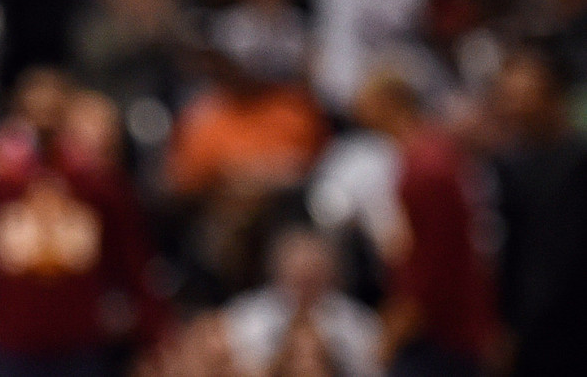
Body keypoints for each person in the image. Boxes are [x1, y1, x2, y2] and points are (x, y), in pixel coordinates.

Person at [0, 69, 168, 377]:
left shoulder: (98, 186)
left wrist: (155, 338)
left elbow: (134, 263)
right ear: (17, 116)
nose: (44, 125)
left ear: (68, 115)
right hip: (11, 344)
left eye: (53, 113)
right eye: (34, 113)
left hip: (81, 344)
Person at [351, 71, 495, 377]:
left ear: (389, 102)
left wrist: (398, 328)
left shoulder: (426, 169)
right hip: (446, 325)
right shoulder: (430, 155)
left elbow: (435, 264)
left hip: (442, 334)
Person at [489, 44, 587, 377]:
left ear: (552, 95)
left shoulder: (577, 163)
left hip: (569, 330)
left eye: (520, 95)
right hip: (527, 331)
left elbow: (558, 261)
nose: (510, 106)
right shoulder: (512, 165)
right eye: (506, 96)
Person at [220, 226, 383, 377]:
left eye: (313, 275)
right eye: (298, 275)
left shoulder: (358, 321)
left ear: (331, 274)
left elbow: (370, 368)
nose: (305, 282)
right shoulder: (245, 316)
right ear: (278, 272)